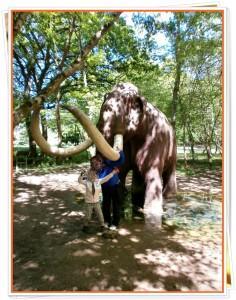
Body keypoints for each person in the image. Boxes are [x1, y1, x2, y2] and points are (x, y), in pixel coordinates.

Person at [79, 160, 119, 233]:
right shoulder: (86, 183)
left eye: (95, 175)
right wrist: (82, 174)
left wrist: (113, 172)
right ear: (88, 176)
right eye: (91, 175)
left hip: (97, 202)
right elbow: (79, 181)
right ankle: (85, 225)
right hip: (88, 203)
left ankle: (102, 226)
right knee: (88, 216)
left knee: (100, 215)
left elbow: (107, 178)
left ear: (97, 176)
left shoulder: (98, 182)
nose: (93, 176)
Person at [90, 151, 125, 231]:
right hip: (106, 188)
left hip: (116, 186)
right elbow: (96, 181)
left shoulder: (109, 164)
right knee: (106, 205)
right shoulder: (93, 171)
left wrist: (120, 151)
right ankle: (107, 221)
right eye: (92, 164)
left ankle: (115, 223)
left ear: (101, 162)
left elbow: (121, 160)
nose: (94, 166)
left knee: (116, 206)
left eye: (96, 163)